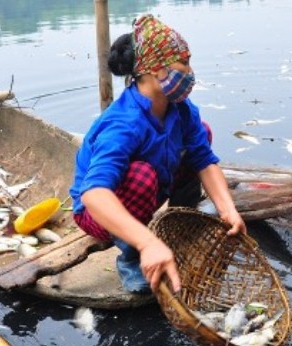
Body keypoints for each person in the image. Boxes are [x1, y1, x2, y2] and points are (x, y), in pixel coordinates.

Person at [69, 14, 246, 294]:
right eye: (184, 62)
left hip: (154, 187)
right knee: (141, 176)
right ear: (154, 70)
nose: (190, 71)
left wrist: (228, 210)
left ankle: (179, 223)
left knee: (203, 132)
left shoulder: (182, 109)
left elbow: (204, 160)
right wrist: (148, 243)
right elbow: (93, 195)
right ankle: (132, 257)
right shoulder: (124, 123)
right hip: (96, 213)